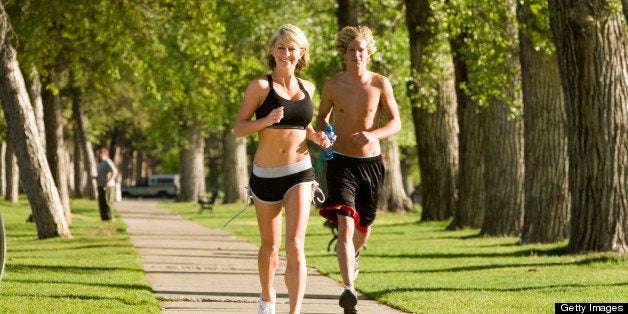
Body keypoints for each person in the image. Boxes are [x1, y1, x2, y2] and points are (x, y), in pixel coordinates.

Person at [234, 24, 331, 314]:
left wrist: (317, 137)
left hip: (300, 171)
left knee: (295, 245)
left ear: (301, 52)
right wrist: (265, 121)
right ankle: (267, 297)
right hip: (265, 175)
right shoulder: (260, 87)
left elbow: (306, 127)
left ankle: (295, 311)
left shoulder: (308, 87)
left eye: (292, 48)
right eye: (281, 47)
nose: (286, 53)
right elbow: (239, 129)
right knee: (271, 247)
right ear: (272, 51)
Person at [315, 25, 401, 313]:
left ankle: (353, 257)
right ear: (344, 53)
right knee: (345, 223)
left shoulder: (380, 83)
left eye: (361, 50)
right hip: (340, 162)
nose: (356, 55)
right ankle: (348, 288)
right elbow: (320, 119)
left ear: (369, 53)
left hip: (371, 164)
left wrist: (374, 134)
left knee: (363, 227)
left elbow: (395, 122)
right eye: (351, 50)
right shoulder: (332, 85)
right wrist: (323, 134)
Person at [95, 147, 118, 221]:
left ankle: (110, 217)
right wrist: (95, 177)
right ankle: (104, 218)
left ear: (105, 154)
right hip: (100, 185)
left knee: (108, 201)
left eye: (101, 154)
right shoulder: (101, 163)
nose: (100, 155)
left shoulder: (108, 162)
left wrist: (109, 181)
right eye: (99, 154)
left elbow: (114, 172)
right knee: (102, 202)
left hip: (108, 185)